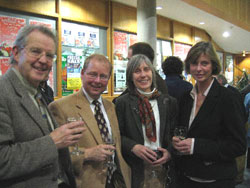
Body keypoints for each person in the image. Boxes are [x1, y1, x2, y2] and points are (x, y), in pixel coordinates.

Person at [0, 25, 85, 188]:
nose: (44, 60)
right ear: (16, 53)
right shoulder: (3, 92)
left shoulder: (37, 91)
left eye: (49, 55)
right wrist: (53, 141)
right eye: (35, 51)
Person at [49, 54, 131, 188]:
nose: (97, 81)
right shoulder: (60, 107)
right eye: (92, 74)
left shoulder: (111, 107)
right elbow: (53, 153)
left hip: (115, 182)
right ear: (82, 74)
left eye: (103, 76)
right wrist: (86, 154)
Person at [172, 41, 246, 188]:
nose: (199, 69)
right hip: (186, 178)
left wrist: (196, 146)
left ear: (213, 66)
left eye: (204, 63)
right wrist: (175, 141)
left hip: (216, 181)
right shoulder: (186, 98)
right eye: (194, 63)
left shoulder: (228, 98)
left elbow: (238, 145)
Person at [115, 54, 177, 188]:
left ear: (152, 73)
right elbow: (116, 135)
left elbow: (175, 134)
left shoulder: (168, 102)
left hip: (163, 169)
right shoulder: (122, 103)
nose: (143, 75)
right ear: (130, 76)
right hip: (135, 170)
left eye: (146, 69)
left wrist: (169, 152)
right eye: (137, 71)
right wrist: (133, 146)